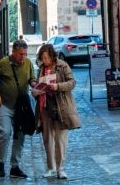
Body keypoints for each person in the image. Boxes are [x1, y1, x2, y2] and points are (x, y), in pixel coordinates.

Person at [31, 41, 79, 179]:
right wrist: (35, 85)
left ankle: (61, 168)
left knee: (60, 140)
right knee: (47, 140)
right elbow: (36, 81)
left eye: (46, 58)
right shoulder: (41, 68)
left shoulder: (63, 66)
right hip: (44, 107)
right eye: (42, 58)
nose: (44, 61)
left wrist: (57, 86)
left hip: (60, 107)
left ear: (52, 56)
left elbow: (72, 83)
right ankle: (51, 168)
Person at [0, 38, 34, 178]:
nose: (23, 57)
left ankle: (15, 167)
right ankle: (0, 163)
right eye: (21, 54)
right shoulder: (3, 63)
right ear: (13, 52)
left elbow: (32, 77)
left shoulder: (27, 63)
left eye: (25, 54)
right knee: (6, 133)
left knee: (20, 135)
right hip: (5, 105)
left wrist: (34, 83)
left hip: (21, 107)